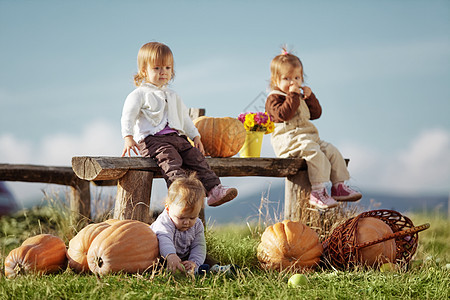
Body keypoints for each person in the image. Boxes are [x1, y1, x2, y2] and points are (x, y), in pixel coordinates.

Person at [121, 42, 237, 207]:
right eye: (157, 68)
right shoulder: (139, 94)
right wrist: (128, 137)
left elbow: (185, 119)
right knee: (171, 161)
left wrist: (195, 135)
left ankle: (214, 190)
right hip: (153, 141)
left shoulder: (173, 95)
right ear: (144, 70)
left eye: (168, 68)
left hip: (177, 138)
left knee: (196, 158)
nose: (163, 72)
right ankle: (180, 196)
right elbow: (128, 116)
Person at [265, 48, 362, 209]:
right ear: (275, 80)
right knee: (315, 154)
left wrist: (310, 98)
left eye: (297, 77)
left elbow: (316, 114)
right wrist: (294, 96)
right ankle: (317, 192)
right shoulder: (274, 98)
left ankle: (338, 186)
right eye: (287, 78)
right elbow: (283, 114)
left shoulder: (298, 96)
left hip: (308, 137)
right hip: (289, 140)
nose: (293, 82)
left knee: (331, 151)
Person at [150, 175, 237, 275]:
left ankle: (212, 269)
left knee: (204, 255)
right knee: (157, 261)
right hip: (163, 254)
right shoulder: (164, 222)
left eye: (192, 217)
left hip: (184, 255)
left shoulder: (197, 224)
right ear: (168, 208)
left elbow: (198, 245)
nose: (187, 222)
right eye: (181, 218)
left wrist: (194, 262)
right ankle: (193, 270)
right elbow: (164, 238)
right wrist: (171, 255)